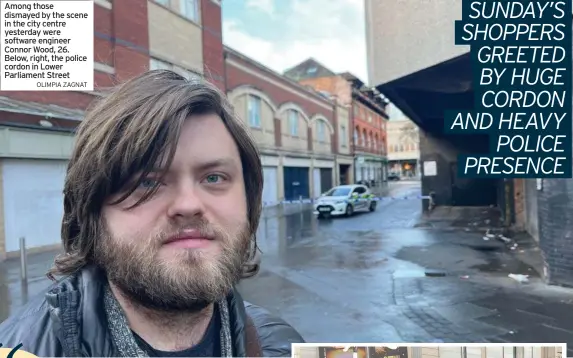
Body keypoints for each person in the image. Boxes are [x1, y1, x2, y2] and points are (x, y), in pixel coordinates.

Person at [0, 70, 304, 357]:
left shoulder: (278, 344)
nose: (188, 205)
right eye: (148, 182)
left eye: (213, 178)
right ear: (91, 211)